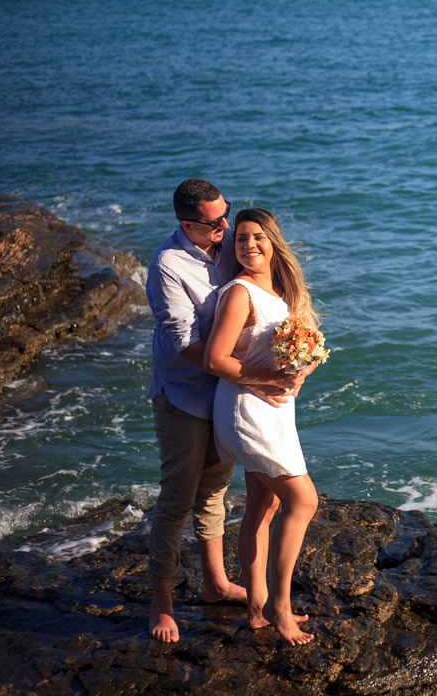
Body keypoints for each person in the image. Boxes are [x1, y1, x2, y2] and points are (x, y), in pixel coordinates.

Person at [145, 180, 299, 643]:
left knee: (214, 491)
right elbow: (188, 345)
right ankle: (161, 602)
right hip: (185, 394)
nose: (226, 226)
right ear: (186, 224)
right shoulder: (167, 265)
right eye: (214, 222)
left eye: (225, 214)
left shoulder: (230, 245)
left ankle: (215, 583)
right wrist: (256, 378)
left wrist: (296, 360)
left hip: (228, 396)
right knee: (178, 497)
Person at [205, 207, 321, 646]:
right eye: (241, 238)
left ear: (274, 242)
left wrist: (302, 369)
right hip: (246, 410)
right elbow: (214, 359)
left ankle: (256, 607)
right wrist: (270, 380)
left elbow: (297, 351)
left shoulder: (281, 294)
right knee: (303, 501)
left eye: (257, 237)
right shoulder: (240, 293)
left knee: (263, 506)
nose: (249, 245)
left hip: (273, 409)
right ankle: (279, 606)